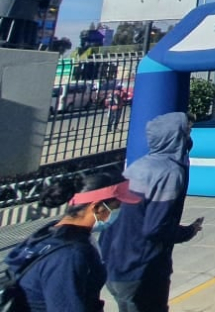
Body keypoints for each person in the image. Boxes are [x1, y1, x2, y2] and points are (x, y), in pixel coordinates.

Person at [101, 112, 204, 312]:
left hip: (115, 267)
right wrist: (188, 232)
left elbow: (112, 217)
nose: (190, 138)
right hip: (142, 269)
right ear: (175, 137)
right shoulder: (170, 172)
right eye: (188, 131)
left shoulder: (138, 166)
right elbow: (155, 228)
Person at [5, 170, 141, 312]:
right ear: (97, 207)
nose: (121, 211)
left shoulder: (50, 232)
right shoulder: (69, 255)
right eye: (117, 206)